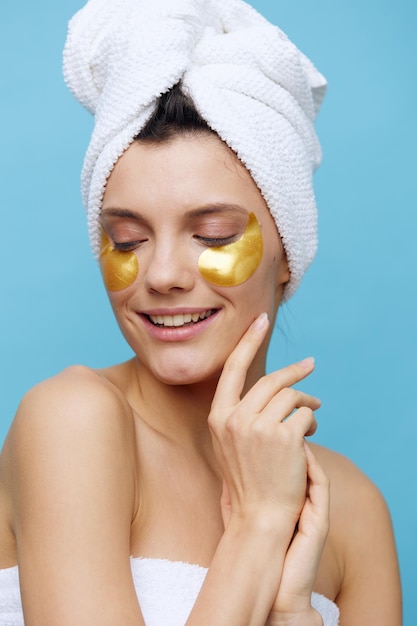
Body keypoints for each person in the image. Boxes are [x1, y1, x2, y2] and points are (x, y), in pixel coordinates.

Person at [0, 1, 401, 624]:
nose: (161, 275)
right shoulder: (73, 421)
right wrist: (258, 526)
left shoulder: (351, 508)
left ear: (287, 252)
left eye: (212, 234)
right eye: (127, 241)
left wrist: (293, 614)